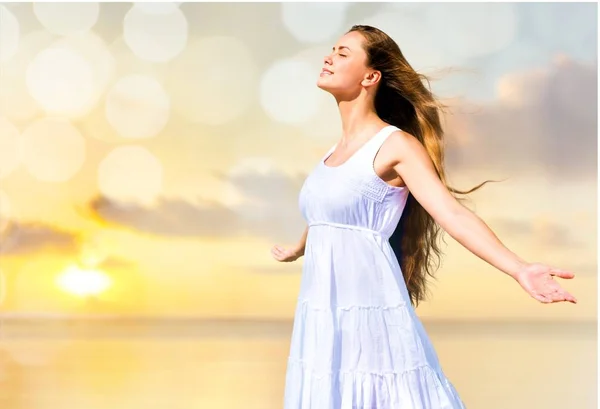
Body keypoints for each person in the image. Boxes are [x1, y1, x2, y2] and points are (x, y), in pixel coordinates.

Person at [271, 25, 577, 409]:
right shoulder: (333, 153)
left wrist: (519, 268)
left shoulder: (395, 144)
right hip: (322, 314)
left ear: (370, 76)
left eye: (343, 52)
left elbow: (450, 212)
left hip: (369, 311)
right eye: (331, 49)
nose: (329, 56)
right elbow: (328, 213)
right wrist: (298, 248)